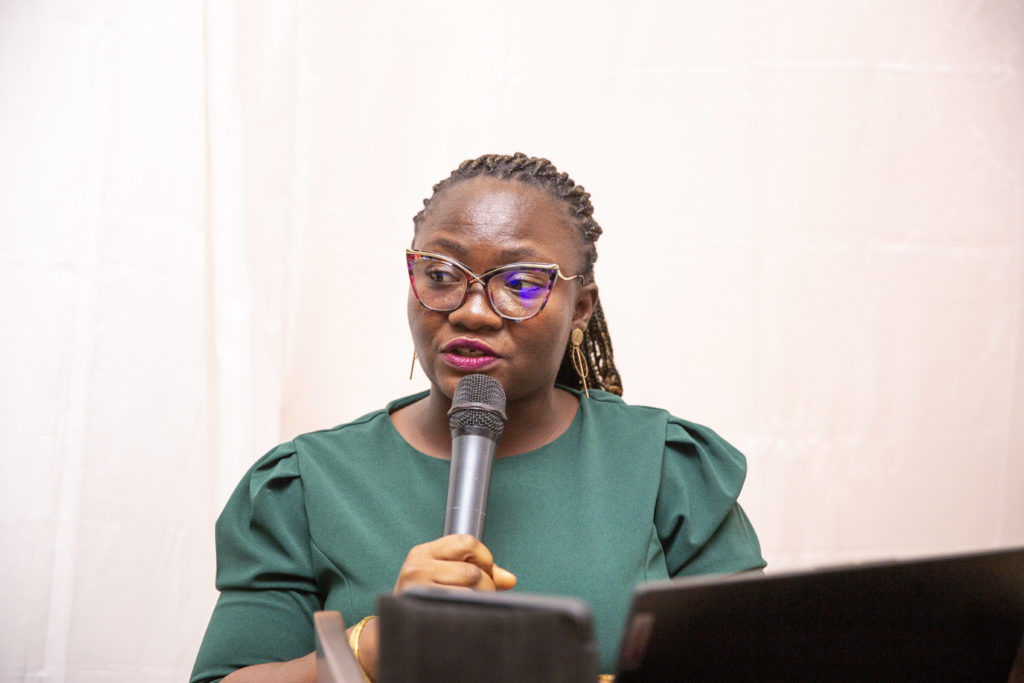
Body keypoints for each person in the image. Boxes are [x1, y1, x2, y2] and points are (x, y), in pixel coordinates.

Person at [191, 153, 765, 682]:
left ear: (580, 308)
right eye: (442, 275)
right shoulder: (306, 484)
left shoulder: (667, 468)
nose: (472, 312)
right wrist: (370, 649)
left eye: (519, 283)